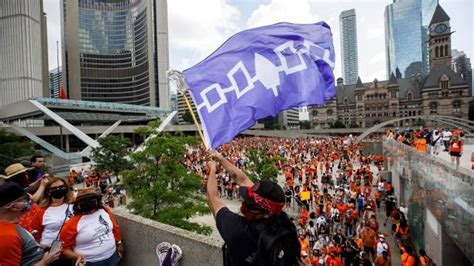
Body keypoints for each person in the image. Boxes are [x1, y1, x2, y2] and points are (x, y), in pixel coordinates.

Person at [206, 150, 300, 266]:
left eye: (250, 204)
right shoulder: (285, 227)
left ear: (267, 213)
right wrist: (221, 159)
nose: (245, 203)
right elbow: (243, 180)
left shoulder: (238, 229)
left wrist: (213, 170)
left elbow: (212, 198)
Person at [0, 182, 60, 265]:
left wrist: (38, 246)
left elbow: (21, 248)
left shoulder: (12, 226)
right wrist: (45, 262)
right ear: (13, 206)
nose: (30, 202)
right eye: (25, 200)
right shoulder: (7, 235)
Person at [60, 188, 124, 266]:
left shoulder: (105, 211)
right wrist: (77, 257)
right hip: (90, 262)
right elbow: (64, 249)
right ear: (78, 204)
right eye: (83, 201)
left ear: (97, 201)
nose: (88, 202)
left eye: (91, 199)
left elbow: (114, 228)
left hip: (112, 257)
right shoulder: (71, 224)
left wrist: (119, 242)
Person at [28, 177, 74, 247]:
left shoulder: (74, 205)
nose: (58, 189)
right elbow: (35, 233)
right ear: (48, 192)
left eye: (61, 187)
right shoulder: (41, 211)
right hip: (52, 249)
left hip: (73, 247)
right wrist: (42, 246)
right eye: (54, 188)